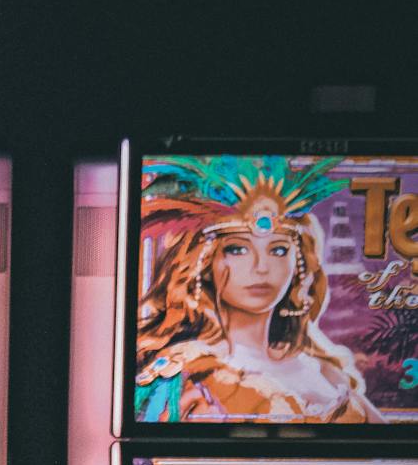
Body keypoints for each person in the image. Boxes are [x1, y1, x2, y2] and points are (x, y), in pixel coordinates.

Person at [133, 154, 382, 423]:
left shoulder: (323, 368)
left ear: (298, 263)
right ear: (204, 262)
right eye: (238, 249)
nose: (261, 266)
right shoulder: (187, 371)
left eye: (278, 250)